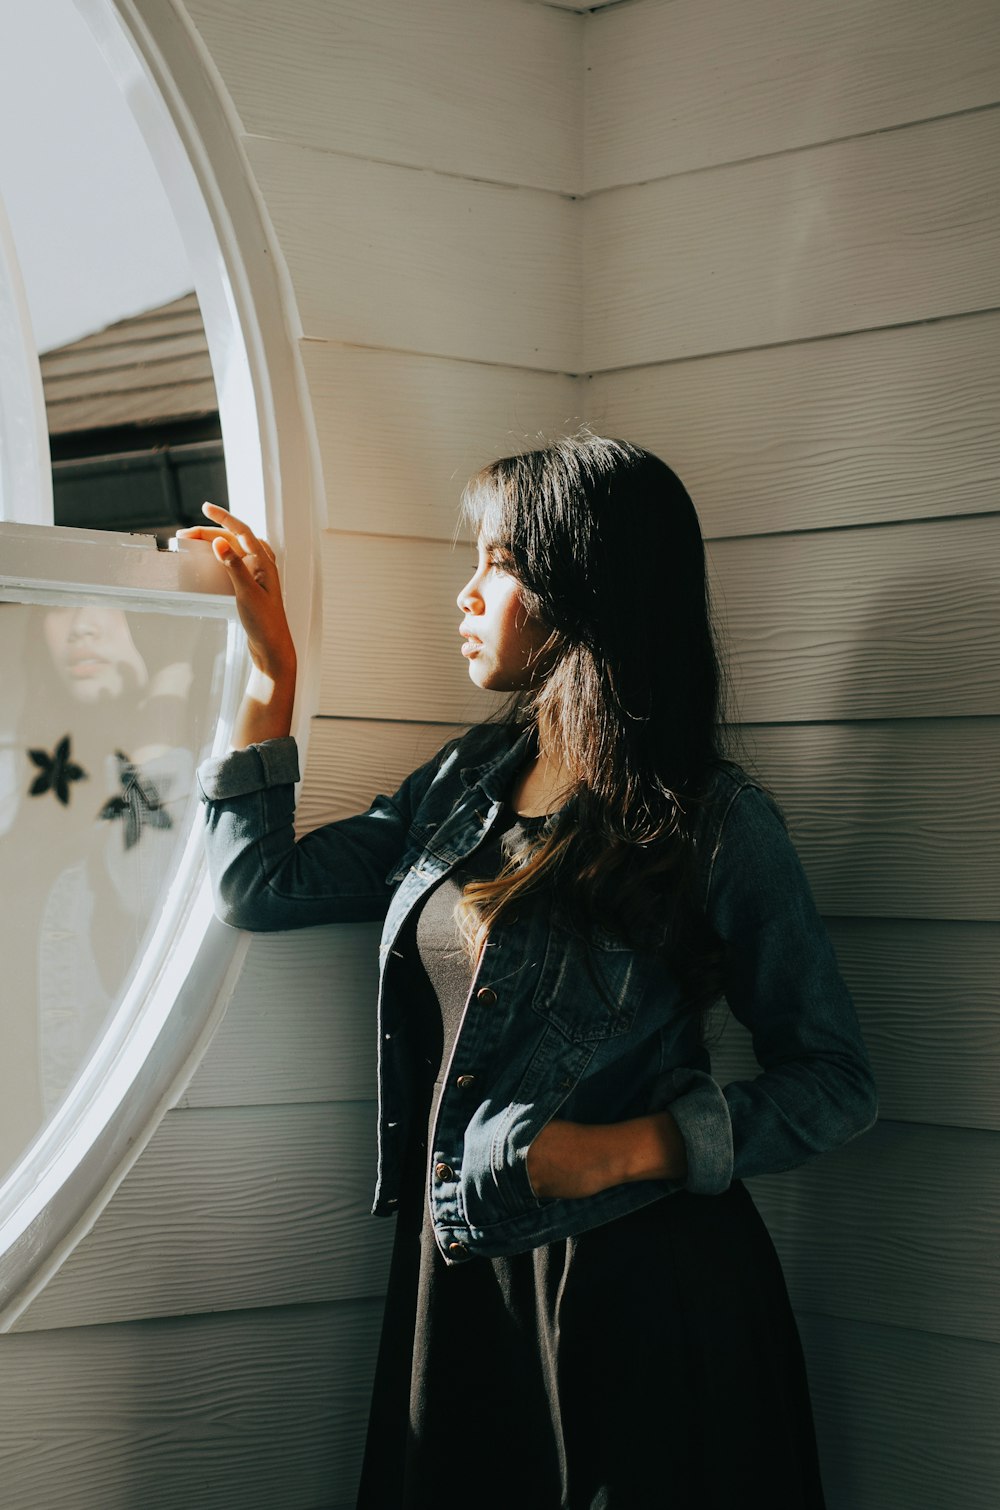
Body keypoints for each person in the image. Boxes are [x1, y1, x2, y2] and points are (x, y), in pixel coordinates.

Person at [184, 435, 877, 1509]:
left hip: (639, 1291)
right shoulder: (465, 781)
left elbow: (834, 1077)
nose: (464, 592)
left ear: (583, 587)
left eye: (498, 562)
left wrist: (621, 1149)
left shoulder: (713, 821)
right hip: (460, 1284)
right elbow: (260, 884)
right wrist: (272, 668)